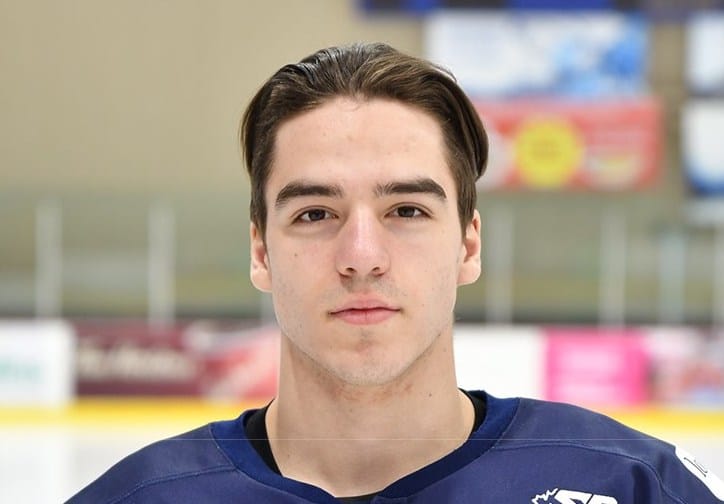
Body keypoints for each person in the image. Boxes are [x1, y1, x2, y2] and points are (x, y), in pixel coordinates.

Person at [67, 42, 724, 504]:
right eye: (315, 213)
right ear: (261, 251)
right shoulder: (136, 497)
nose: (362, 254)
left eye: (406, 210)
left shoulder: (633, 486)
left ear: (468, 244)